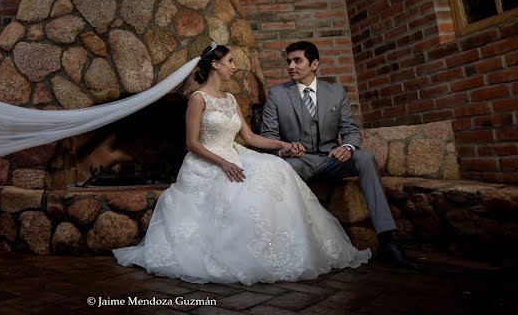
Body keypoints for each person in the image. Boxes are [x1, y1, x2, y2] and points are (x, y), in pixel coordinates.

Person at [113, 43, 370, 285]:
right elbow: (192, 144)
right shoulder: (197, 98)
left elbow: (250, 137)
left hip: (235, 154)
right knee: (239, 192)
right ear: (215, 65)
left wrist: (283, 145)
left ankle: (283, 249)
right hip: (207, 161)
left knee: (277, 169)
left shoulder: (230, 98)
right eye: (230, 61)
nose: (234, 66)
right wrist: (223, 163)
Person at [261, 40, 419, 269]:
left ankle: (388, 240)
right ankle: (289, 245)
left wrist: (347, 148)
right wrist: (284, 147)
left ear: (314, 64)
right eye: (289, 62)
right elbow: (268, 135)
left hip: (330, 160)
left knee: (364, 158)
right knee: (286, 170)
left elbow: (351, 131)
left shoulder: (335, 92)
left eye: (297, 61)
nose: (291, 66)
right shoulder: (277, 94)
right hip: (298, 161)